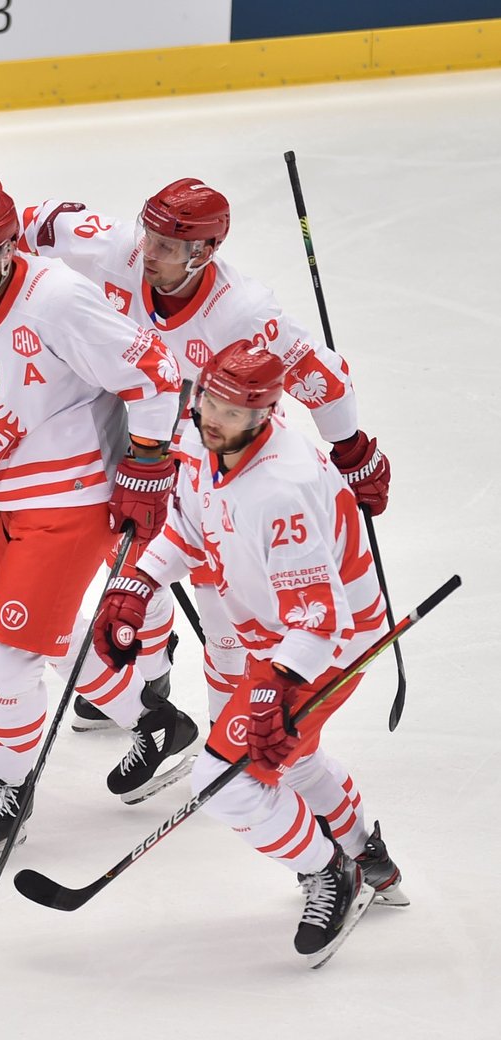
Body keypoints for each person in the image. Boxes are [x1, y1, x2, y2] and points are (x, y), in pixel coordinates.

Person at [19, 179, 391, 731]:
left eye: (168, 246)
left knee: (219, 604)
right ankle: (150, 674)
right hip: (136, 413)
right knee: (124, 544)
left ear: (204, 252)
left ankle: (226, 730)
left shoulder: (241, 310)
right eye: (150, 236)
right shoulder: (122, 247)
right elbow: (42, 221)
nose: (150, 253)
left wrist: (351, 446)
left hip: (217, 438)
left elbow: (320, 376)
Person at [0, 180, 199, 865]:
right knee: (53, 641)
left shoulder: (58, 298)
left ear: (11, 249)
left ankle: (8, 790)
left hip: (76, 492)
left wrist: (150, 461)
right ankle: (159, 727)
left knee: (2, 654)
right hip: (8, 491)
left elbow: (154, 373)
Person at [92, 340, 406, 967]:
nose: (212, 416)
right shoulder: (208, 441)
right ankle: (364, 850)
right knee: (288, 759)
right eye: (208, 400)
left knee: (225, 784)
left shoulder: (281, 489)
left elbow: (320, 619)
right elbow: (186, 523)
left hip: (331, 646)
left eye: (232, 412)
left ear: (263, 415)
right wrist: (139, 582)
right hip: (286, 637)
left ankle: (329, 872)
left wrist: (272, 687)